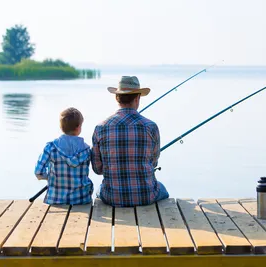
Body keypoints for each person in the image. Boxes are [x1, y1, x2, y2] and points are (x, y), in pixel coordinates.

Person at [91, 76, 169, 207]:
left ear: (116, 98)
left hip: (112, 197)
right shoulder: (151, 126)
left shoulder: (100, 128)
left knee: (100, 190)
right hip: (146, 196)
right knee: (163, 190)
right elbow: (153, 162)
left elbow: (98, 169)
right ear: (137, 98)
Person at [34, 107, 93, 205]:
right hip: (82, 199)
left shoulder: (50, 148)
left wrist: (51, 177)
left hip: (55, 200)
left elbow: (38, 172)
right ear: (78, 128)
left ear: (61, 127)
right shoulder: (86, 150)